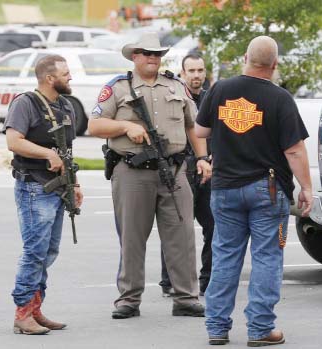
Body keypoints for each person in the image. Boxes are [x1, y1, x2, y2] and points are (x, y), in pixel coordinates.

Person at [195, 36, 313, 346]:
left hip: (224, 189)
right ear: (275, 65)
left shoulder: (220, 89)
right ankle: (261, 329)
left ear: (245, 57)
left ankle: (217, 327)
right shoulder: (280, 98)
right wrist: (307, 188)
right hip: (267, 191)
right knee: (267, 257)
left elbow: (201, 130)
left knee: (224, 256)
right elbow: (295, 150)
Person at [88, 32, 212, 319]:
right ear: (134, 56)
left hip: (175, 170)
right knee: (132, 237)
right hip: (132, 172)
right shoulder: (118, 88)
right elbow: (95, 125)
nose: (153, 58)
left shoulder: (175, 85)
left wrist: (203, 158)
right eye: (146, 53)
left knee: (182, 236)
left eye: (157, 53)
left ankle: (185, 298)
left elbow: (193, 126)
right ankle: (128, 299)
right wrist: (124, 128)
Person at [4, 55, 83, 335]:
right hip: (33, 187)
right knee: (35, 251)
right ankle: (22, 312)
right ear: (50, 78)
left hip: (58, 187)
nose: (70, 77)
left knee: (48, 251)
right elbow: (14, 141)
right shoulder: (25, 103)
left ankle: (35, 310)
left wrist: (74, 184)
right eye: (66, 73)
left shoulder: (64, 105)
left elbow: (67, 151)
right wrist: (46, 153)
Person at [159, 53, 214, 297]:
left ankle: (207, 280)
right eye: (191, 71)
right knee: (176, 227)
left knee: (213, 226)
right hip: (181, 170)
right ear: (183, 74)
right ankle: (169, 280)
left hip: (207, 172)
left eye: (200, 70)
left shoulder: (210, 99)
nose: (196, 75)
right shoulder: (173, 97)